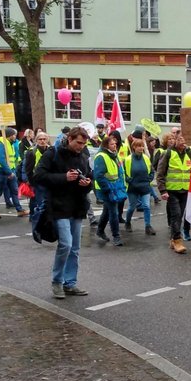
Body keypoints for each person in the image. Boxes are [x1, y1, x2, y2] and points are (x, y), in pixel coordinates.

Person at [32, 126, 94, 300]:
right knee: (66, 245)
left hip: (77, 206)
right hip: (58, 206)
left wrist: (86, 183)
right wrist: (63, 177)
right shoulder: (53, 154)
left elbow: (90, 177)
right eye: (78, 143)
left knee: (74, 248)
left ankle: (70, 283)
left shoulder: (84, 156)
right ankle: (57, 281)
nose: (81, 146)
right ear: (70, 139)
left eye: (84, 143)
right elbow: (38, 176)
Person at [156, 133, 191, 253]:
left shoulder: (188, 153)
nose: (182, 142)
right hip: (172, 191)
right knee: (176, 215)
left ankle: (173, 239)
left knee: (179, 215)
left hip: (185, 189)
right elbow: (160, 173)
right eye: (179, 140)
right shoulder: (168, 153)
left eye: (184, 140)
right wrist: (163, 190)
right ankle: (177, 241)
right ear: (175, 142)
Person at [94, 135, 128, 246]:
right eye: (112, 144)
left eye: (115, 144)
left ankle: (100, 230)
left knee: (107, 211)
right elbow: (99, 175)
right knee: (113, 212)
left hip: (114, 188)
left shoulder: (114, 155)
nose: (115, 146)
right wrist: (107, 189)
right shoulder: (101, 156)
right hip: (106, 189)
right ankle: (116, 236)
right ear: (106, 145)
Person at [123, 138, 155, 235]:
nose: (141, 148)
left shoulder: (145, 158)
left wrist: (149, 178)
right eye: (138, 146)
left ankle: (148, 226)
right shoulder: (128, 159)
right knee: (132, 207)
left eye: (142, 146)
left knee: (146, 206)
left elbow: (151, 170)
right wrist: (129, 180)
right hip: (133, 188)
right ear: (133, 147)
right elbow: (123, 173)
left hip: (145, 186)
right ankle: (127, 222)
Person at [22, 131, 50, 221]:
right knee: (36, 199)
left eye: (44, 139)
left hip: (48, 179)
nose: (42, 141)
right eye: (40, 139)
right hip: (36, 180)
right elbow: (28, 168)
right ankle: (34, 216)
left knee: (46, 199)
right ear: (36, 140)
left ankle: (41, 216)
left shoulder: (51, 150)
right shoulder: (31, 152)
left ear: (47, 140)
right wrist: (30, 181)